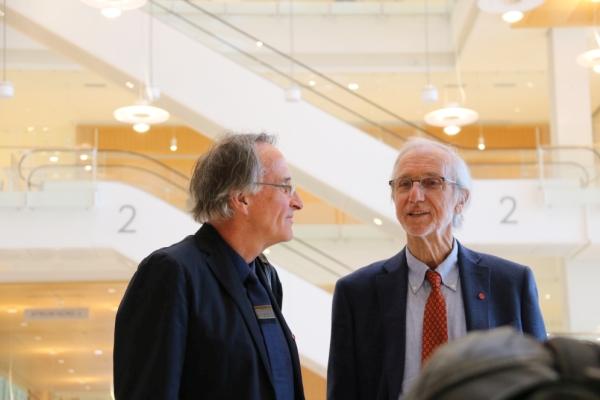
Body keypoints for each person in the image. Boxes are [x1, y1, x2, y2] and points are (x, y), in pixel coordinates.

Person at [327, 137, 546, 400]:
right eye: (404, 184)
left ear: (461, 199)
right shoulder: (357, 294)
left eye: (432, 183)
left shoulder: (510, 283)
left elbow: (543, 384)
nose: (415, 196)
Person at [114, 133, 305, 400]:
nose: (297, 202)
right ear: (242, 199)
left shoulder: (266, 277)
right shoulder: (171, 273)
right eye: (285, 188)